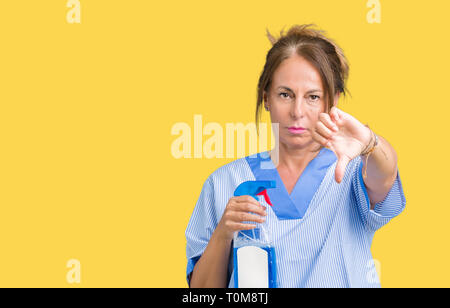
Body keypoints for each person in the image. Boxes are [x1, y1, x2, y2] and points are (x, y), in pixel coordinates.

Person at [185, 24, 406, 288]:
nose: (297, 111)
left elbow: (386, 173)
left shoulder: (352, 172)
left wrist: (370, 143)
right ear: (266, 97)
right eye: (285, 95)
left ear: (332, 100)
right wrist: (223, 233)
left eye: (313, 97)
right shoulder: (223, 182)